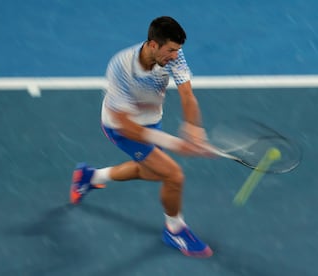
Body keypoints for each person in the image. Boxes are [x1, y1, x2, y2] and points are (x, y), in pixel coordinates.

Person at [70, 16, 213, 258]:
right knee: (173, 176)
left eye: (178, 50)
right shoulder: (121, 67)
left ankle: (90, 176)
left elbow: (187, 95)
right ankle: (175, 230)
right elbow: (126, 126)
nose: (176, 56)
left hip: (150, 122)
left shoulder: (173, 55)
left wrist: (194, 131)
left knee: (149, 170)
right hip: (121, 128)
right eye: (171, 50)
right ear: (153, 45)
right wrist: (174, 143)